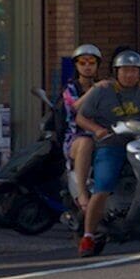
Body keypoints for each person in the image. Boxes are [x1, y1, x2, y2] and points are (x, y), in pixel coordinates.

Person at [71, 49, 140, 257]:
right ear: (116, 72)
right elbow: (81, 118)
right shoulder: (102, 91)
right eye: (125, 70)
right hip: (111, 145)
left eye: (134, 71)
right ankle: (88, 236)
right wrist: (97, 130)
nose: (129, 75)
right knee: (102, 187)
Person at [56, 45, 106, 236]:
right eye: (82, 63)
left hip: (104, 134)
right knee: (86, 142)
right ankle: (83, 195)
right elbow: (75, 108)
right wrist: (94, 90)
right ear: (76, 66)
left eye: (92, 63)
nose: (87, 67)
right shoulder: (71, 88)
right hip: (75, 137)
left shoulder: (105, 86)